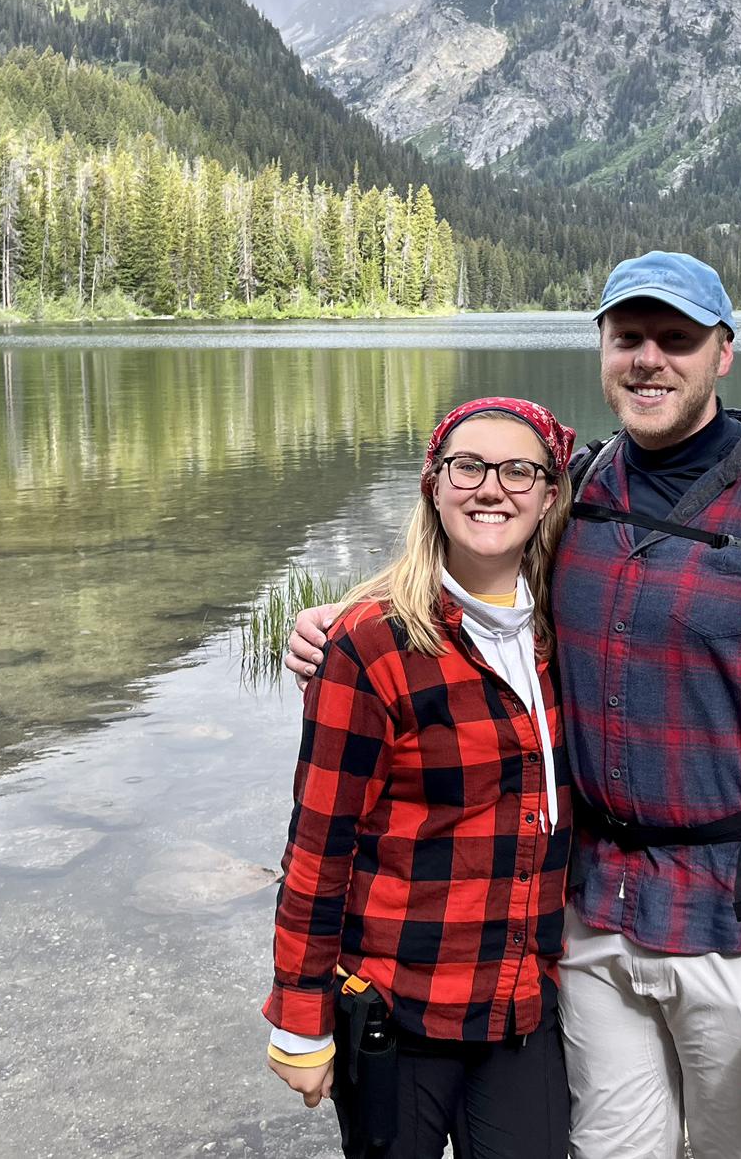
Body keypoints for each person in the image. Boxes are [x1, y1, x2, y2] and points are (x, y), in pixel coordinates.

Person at [288, 252, 741, 1159]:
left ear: (724, 353)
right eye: (628, 338)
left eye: (676, 339)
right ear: (604, 350)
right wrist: (343, 620)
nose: (649, 359)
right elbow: (472, 560)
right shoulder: (576, 490)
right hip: (591, 921)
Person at [264, 397, 576, 1159]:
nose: (491, 488)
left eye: (518, 471)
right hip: (398, 1009)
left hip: (518, 1006)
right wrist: (300, 1015)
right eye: (468, 467)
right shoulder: (371, 644)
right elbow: (319, 846)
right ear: (433, 486)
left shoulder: (564, 631)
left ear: (548, 496)